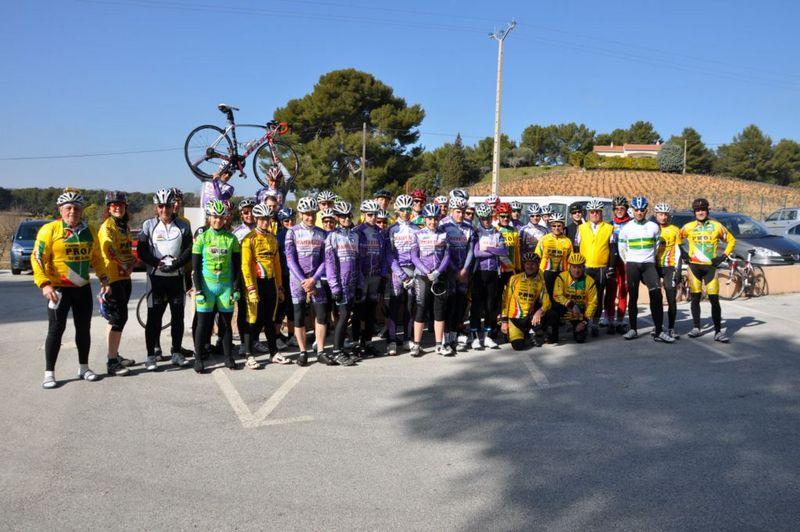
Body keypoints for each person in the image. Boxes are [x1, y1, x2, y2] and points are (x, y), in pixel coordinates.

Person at [32, 189, 110, 389]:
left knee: (84, 329)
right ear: (60, 209)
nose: (72, 212)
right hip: (58, 288)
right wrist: (45, 284)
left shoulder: (90, 230)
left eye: (76, 208)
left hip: (81, 288)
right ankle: (49, 373)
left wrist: (104, 279)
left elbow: (97, 258)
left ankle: (84, 368)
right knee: (56, 330)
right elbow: (38, 258)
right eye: (68, 208)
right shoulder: (49, 230)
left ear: (82, 210)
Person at [138, 189, 194, 370]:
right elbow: (142, 251)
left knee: (177, 317)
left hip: (176, 279)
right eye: (161, 206)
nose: (165, 210)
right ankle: (150, 355)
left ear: (173, 206)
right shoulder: (148, 225)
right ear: (156, 207)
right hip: (156, 279)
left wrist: (177, 265)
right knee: (154, 318)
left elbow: (188, 250)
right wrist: (157, 264)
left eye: (168, 206)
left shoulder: (183, 226)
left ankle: (176, 352)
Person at [191, 200, 241, 373]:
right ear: (209, 217)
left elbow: (237, 267)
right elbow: (195, 268)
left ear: (225, 218)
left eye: (221, 217)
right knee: (203, 324)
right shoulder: (202, 238)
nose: (218, 220)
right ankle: (198, 359)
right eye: (214, 217)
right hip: (207, 286)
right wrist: (198, 290)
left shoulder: (232, 239)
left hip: (225, 287)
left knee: (226, 324)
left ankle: (228, 357)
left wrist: (235, 288)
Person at [617, 196, 674, 343]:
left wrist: (648, 259)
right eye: (636, 210)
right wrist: (629, 261)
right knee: (633, 297)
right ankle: (633, 329)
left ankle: (659, 331)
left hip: (649, 264)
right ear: (632, 211)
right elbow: (622, 249)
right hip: (632, 264)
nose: (639, 212)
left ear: (646, 210)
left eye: (642, 210)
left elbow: (656, 247)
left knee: (656, 295)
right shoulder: (626, 228)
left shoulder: (654, 227)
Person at [680, 198, 736, 343]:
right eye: (698, 210)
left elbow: (732, 240)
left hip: (710, 267)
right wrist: (683, 253)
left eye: (703, 209)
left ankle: (718, 332)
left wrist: (723, 257)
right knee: (695, 299)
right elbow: (676, 239)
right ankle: (696, 327)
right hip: (694, 267)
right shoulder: (688, 227)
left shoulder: (717, 226)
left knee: (714, 300)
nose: (701, 212)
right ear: (694, 212)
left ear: (707, 210)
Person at [285, 197, 329, 366]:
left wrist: (314, 279)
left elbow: (326, 260)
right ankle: (303, 351)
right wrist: (304, 280)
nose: (310, 217)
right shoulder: (292, 232)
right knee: (298, 316)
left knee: (322, 314)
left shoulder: (322, 233)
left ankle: (320, 351)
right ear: (301, 214)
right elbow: (290, 259)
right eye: (307, 214)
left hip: (315, 278)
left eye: (313, 214)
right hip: (298, 280)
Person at [98, 190, 137, 375]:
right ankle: (112, 362)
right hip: (113, 277)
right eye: (113, 205)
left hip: (124, 277)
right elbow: (108, 249)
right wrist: (123, 265)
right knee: (118, 318)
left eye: (120, 205)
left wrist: (131, 264)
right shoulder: (108, 226)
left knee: (116, 318)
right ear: (108, 208)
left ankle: (113, 354)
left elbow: (127, 250)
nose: (117, 208)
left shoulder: (124, 226)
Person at [240, 204, 283, 370]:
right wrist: (250, 288)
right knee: (252, 319)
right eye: (262, 219)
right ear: (256, 219)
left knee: (269, 320)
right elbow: (245, 265)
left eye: (268, 219)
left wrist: (279, 287)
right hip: (255, 284)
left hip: (270, 283)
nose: (266, 222)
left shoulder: (272, 238)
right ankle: (249, 355)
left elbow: (277, 264)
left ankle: (274, 353)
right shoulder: (248, 239)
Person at [410, 203, 451, 357]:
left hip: (439, 276)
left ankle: (439, 345)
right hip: (422, 276)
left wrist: (438, 272)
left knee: (439, 310)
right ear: (425, 219)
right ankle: (416, 344)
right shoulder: (418, 234)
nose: (433, 222)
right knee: (420, 308)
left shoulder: (444, 234)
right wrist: (427, 271)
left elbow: (447, 256)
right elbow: (414, 256)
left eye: (435, 219)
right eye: (430, 219)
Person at [323, 201, 361, 366]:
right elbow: (330, 264)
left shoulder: (355, 236)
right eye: (343, 216)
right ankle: (336, 351)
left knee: (347, 317)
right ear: (337, 218)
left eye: (348, 215)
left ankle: (342, 349)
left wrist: (359, 284)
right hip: (341, 284)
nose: (346, 219)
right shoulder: (332, 236)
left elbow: (357, 262)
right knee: (343, 316)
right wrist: (335, 287)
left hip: (352, 283)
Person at [470, 203, 509, 350]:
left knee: (490, 306)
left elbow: (504, 252)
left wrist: (488, 249)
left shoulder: (496, 232)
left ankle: (487, 337)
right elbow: (476, 253)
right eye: (483, 218)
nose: (486, 221)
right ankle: (474, 338)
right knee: (476, 307)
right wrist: (494, 251)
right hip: (479, 273)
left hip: (493, 273)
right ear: (479, 218)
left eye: (488, 218)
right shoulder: (476, 232)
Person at [575, 198, 615, 336]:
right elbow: (576, 248)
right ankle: (582, 322)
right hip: (584, 268)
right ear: (588, 213)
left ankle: (595, 324)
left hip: (601, 268)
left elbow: (612, 249)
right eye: (592, 212)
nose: (595, 214)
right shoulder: (581, 228)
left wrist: (610, 267)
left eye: (597, 212)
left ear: (601, 213)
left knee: (597, 298)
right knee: (582, 297)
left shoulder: (609, 228)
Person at [440, 196, 475, 352]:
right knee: (448, 305)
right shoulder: (444, 226)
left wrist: (465, 270)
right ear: (451, 211)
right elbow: (443, 251)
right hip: (449, 271)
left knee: (460, 305)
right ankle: (445, 338)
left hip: (463, 272)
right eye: (457, 212)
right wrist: (455, 271)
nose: (460, 215)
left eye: (462, 212)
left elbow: (471, 250)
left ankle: (454, 336)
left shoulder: (469, 227)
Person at [353, 200, 388, 358]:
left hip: (375, 276)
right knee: (358, 312)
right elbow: (354, 257)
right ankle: (355, 344)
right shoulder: (356, 232)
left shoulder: (380, 233)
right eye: (370, 215)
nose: (373, 218)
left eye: (376, 215)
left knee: (371, 311)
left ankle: (367, 342)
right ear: (363, 214)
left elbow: (384, 255)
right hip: (361, 276)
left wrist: (383, 275)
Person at [387, 194, 420, 355]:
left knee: (409, 305)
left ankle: (407, 338)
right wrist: (401, 274)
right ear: (397, 211)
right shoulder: (392, 229)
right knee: (395, 305)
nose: (406, 212)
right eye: (403, 210)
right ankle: (392, 340)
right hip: (397, 271)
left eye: (409, 209)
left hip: (413, 270)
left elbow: (419, 253)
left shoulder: (416, 229)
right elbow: (389, 255)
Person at [543, 253, 596, 344]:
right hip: (565, 309)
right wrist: (571, 305)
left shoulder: (590, 281)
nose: (577, 270)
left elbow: (593, 303)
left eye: (579, 267)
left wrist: (584, 322)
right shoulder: (562, 277)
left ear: (584, 267)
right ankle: (553, 333)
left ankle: (578, 327)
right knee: (552, 310)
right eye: (574, 267)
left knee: (580, 339)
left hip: (579, 313)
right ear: (569, 267)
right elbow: (557, 295)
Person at [500, 252, 545, 350]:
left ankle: (533, 331)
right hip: (514, 318)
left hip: (529, 318)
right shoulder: (514, 279)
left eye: (533, 264)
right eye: (528, 264)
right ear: (524, 265)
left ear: (537, 265)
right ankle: (519, 334)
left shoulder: (540, 282)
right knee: (518, 346)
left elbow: (547, 302)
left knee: (549, 313)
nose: (530, 266)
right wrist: (504, 321)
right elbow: (505, 301)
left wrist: (539, 312)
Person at [654, 202, 682, 339]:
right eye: (660, 214)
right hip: (653, 266)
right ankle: (657, 326)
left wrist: (679, 271)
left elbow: (678, 251)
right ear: (656, 215)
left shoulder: (675, 229)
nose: (663, 217)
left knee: (671, 298)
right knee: (656, 298)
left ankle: (671, 328)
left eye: (665, 214)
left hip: (669, 267)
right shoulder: (651, 227)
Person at [232, 198, 257, 351]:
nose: (249, 215)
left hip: (258, 275)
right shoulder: (237, 233)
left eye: (252, 211)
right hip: (242, 276)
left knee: (257, 309)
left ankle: (254, 341)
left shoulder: (262, 228)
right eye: (245, 212)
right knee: (243, 310)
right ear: (241, 215)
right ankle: (243, 342)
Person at [606, 196, 631, 334]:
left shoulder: (632, 224)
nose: (619, 211)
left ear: (626, 209)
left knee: (623, 291)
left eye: (622, 208)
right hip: (612, 263)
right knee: (610, 292)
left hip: (625, 263)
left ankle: (620, 320)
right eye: (616, 209)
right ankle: (609, 320)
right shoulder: (609, 225)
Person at [274, 207, 296, 355]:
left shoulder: (298, 233)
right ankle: (276, 336)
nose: (290, 222)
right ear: (281, 222)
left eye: (292, 220)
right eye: (286, 220)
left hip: (295, 275)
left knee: (294, 307)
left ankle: (292, 335)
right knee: (281, 306)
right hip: (283, 275)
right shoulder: (279, 236)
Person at [535, 212, 573, 300]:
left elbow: (570, 260)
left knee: (559, 298)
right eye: (554, 226)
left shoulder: (567, 241)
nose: (556, 228)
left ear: (563, 226)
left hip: (561, 273)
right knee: (545, 298)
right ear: (550, 226)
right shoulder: (544, 239)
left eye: (559, 226)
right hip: (545, 273)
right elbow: (537, 257)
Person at [496, 202, 521, 302]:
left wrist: (518, 267)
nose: (505, 219)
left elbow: (516, 251)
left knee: (511, 295)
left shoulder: (514, 230)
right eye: (502, 216)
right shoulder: (495, 230)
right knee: (497, 294)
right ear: (498, 216)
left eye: (508, 216)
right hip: (499, 269)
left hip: (511, 268)